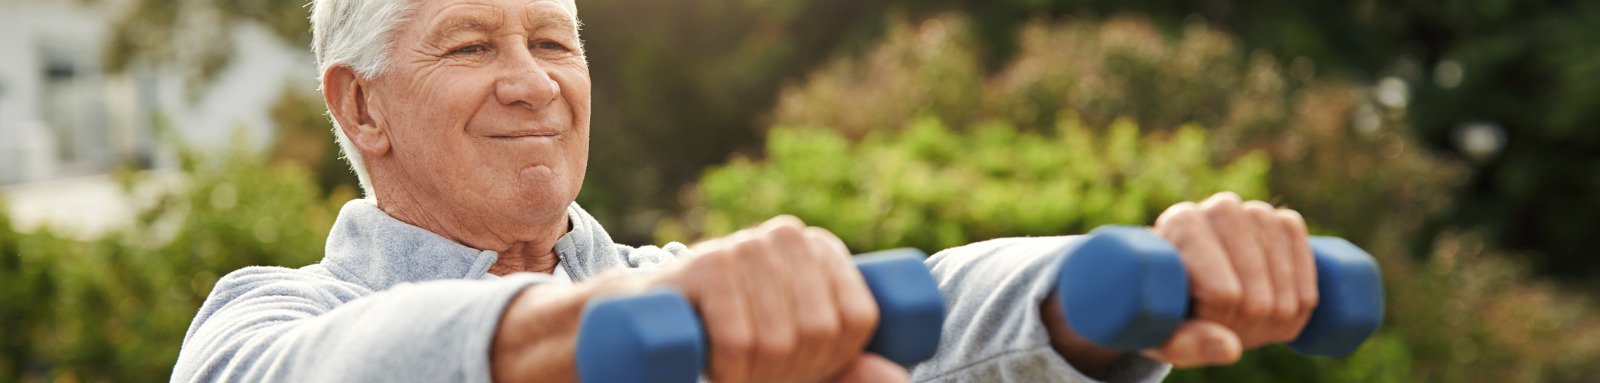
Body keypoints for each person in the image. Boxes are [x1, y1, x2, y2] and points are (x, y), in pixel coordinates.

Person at [170, 0, 1322, 381]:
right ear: (359, 105)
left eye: (553, 44)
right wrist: (600, 330)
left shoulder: (688, 291)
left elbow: (924, 301)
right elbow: (350, 366)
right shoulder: (263, 322)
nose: (530, 84)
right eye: (470, 47)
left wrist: (1115, 281)